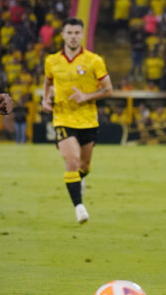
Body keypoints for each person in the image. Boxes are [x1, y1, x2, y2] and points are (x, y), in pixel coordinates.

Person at [41, 17, 114, 224]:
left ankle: (80, 179)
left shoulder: (94, 61)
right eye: (69, 33)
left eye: (76, 33)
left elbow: (109, 90)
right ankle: (79, 207)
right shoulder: (52, 61)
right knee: (71, 160)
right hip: (62, 118)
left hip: (88, 120)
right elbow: (47, 82)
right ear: (63, 35)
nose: (73, 37)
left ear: (82, 35)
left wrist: (86, 97)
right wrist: (45, 99)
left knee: (84, 164)